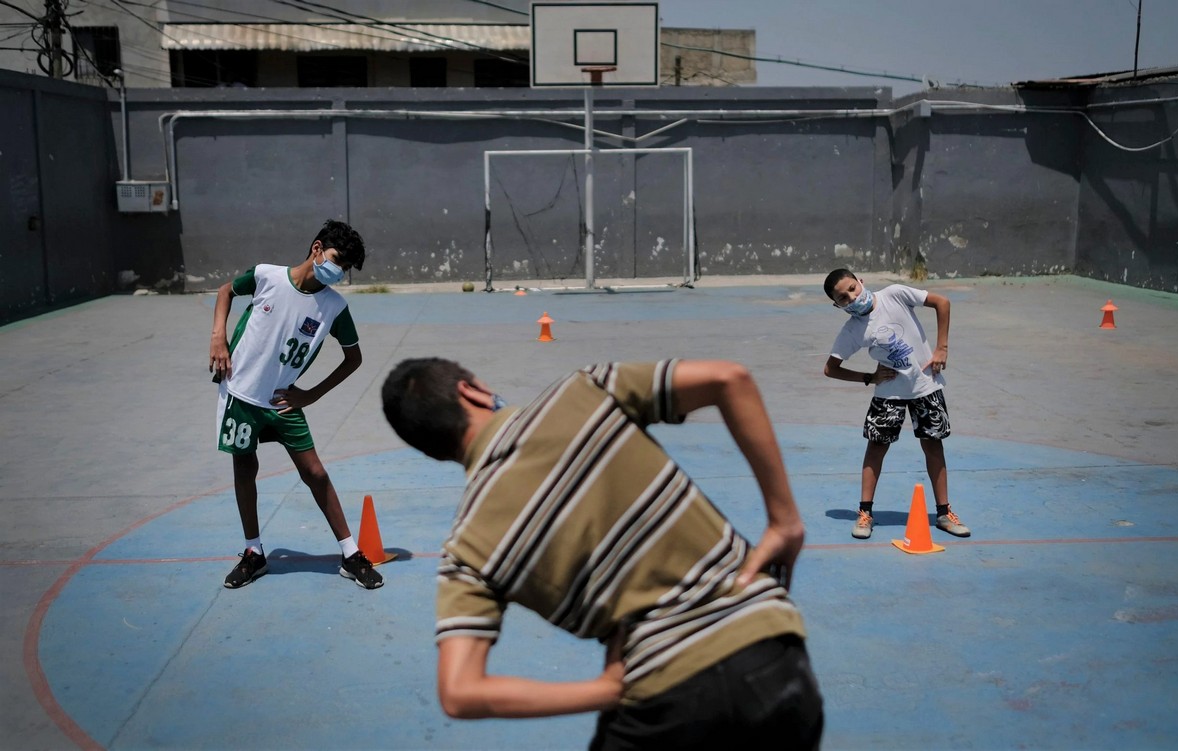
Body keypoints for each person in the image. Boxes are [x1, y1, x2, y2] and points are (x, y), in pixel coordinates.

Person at [381, 358, 823, 750]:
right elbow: (730, 378)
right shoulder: (585, 390)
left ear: (431, 450)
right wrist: (784, 519)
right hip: (774, 657)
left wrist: (606, 689)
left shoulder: (467, 550)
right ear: (471, 390)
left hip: (663, 699)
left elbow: (460, 693)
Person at [208, 219, 383, 590]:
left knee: (315, 472)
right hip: (241, 394)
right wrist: (218, 338)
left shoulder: (334, 307)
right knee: (245, 468)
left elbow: (354, 358)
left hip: (283, 401)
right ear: (317, 249)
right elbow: (225, 292)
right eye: (338, 260)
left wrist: (312, 394)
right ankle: (253, 553)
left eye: (346, 269)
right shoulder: (266, 276)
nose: (339, 272)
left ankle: (351, 554)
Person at [821, 268, 971, 541]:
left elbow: (942, 302)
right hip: (888, 394)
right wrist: (869, 377)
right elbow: (831, 369)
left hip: (926, 386)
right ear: (837, 305)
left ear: (860, 282)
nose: (852, 298)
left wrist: (942, 348)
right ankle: (865, 513)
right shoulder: (853, 330)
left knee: (933, 446)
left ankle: (944, 513)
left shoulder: (894, 294)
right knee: (876, 450)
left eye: (852, 289)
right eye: (843, 298)